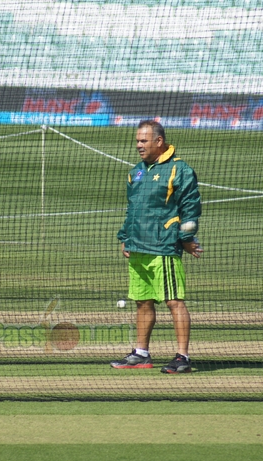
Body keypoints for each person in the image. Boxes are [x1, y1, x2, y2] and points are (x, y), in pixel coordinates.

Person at [111, 120, 202, 373]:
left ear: (159, 142)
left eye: (144, 141)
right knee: (142, 301)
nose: (139, 145)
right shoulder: (136, 172)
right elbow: (132, 210)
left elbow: (191, 208)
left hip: (163, 247)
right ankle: (141, 354)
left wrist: (186, 239)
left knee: (174, 301)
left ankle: (182, 357)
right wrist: (125, 237)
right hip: (138, 246)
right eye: (137, 141)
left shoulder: (179, 170)